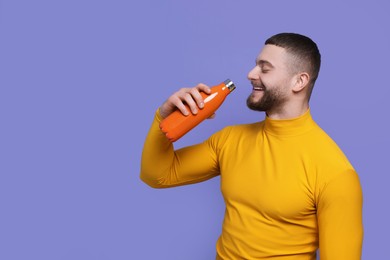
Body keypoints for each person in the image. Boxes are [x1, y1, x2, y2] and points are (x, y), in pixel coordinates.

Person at [140, 32, 363, 259]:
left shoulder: (336, 173)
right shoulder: (230, 140)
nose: (250, 74)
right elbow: (157, 175)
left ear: (299, 81)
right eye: (256, 65)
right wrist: (163, 119)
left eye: (265, 69)